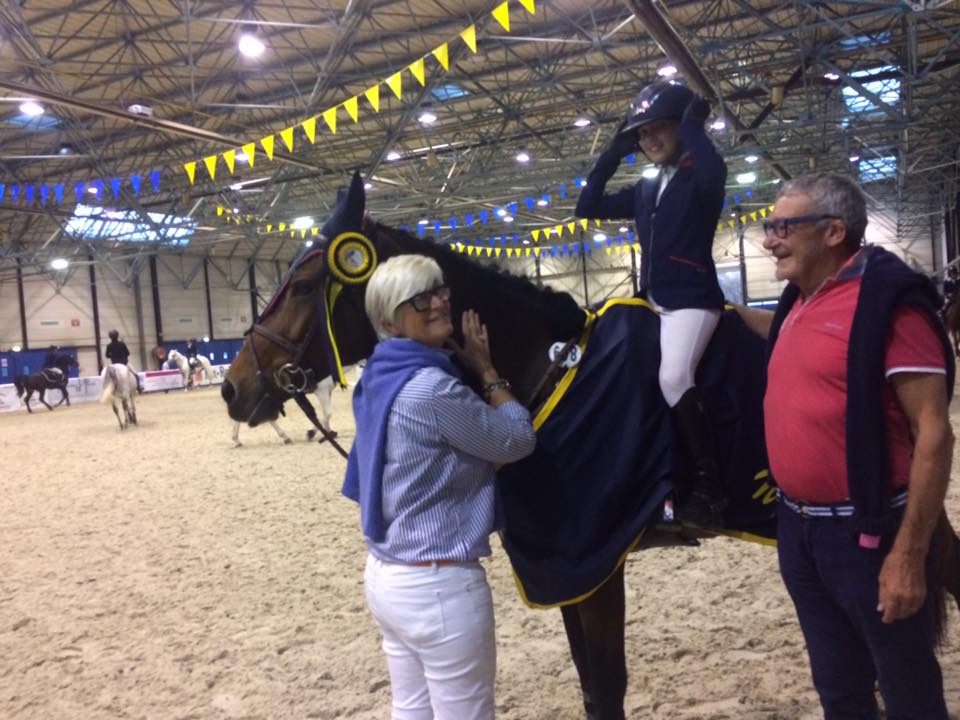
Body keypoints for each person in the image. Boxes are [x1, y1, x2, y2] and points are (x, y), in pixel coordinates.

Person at [735, 173, 953, 719]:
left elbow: (934, 432)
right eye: (770, 226)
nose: (769, 240)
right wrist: (722, 313)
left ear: (833, 232)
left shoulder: (889, 307)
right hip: (800, 531)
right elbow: (792, 338)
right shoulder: (799, 304)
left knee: (908, 690)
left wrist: (908, 555)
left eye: (784, 227)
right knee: (839, 686)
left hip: (868, 532)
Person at [344, 254, 536, 719]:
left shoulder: (376, 377)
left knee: (410, 710)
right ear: (389, 319)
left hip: (387, 576)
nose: (438, 305)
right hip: (439, 586)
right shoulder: (432, 389)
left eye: (440, 292)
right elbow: (516, 440)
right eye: (421, 298)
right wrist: (489, 372)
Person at [575, 80, 728, 529]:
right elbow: (587, 207)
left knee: (674, 375)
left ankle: (711, 485)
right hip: (652, 302)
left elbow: (712, 168)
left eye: (660, 128)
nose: (650, 140)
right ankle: (662, 480)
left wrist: (694, 126)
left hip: (692, 300)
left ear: (681, 126)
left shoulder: (701, 177)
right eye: (642, 134)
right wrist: (613, 152)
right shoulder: (646, 188)